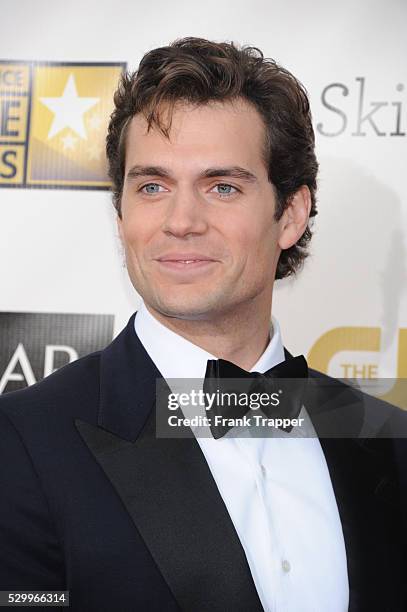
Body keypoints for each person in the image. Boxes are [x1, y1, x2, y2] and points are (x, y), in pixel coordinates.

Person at [0, 37, 405, 612]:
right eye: (152, 186)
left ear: (289, 214)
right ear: (122, 215)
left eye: (222, 187)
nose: (181, 221)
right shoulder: (22, 443)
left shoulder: (385, 440)